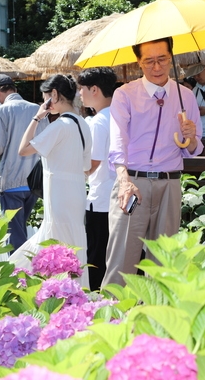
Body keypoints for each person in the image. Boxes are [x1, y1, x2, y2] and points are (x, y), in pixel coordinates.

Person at [102, 37, 203, 287]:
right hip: (133, 184)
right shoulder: (124, 94)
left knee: (164, 266)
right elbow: (117, 140)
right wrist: (124, 181)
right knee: (122, 264)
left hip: (170, 185)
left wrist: (190, 138)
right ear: (139, 62)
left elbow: (194, 148)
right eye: (149, 61)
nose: (156, 67)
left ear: (171, 57)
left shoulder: (186, 96)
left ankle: (159, 323)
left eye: (162, 59)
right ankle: (113, 322)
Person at [9, 74, 92, 287]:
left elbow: (23, 149)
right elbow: (86, 167)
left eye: (45, 96)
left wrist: (37, 117)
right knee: (72, 243)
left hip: (59, 193)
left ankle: (35, 284)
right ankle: (75, 289)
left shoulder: (60, 125)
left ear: (53, 95)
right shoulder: (83, 124)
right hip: (76, 192)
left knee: (54, 241)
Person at [0, 74, 44, 251]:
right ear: (15, 89)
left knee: (14, 238)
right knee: (21, 232)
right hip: (33, 183)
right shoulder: (37, 109)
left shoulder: (0, 112)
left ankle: (18, 276)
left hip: (11, 183)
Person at [77, 67, 117, 291]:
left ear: (94, 89)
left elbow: (92, 163)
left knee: (97, 255)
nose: (79, 94)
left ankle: (95, 302)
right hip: (121, 195)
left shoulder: (98, 121)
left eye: (81, 89)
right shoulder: (123, 114)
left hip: (101, 198)